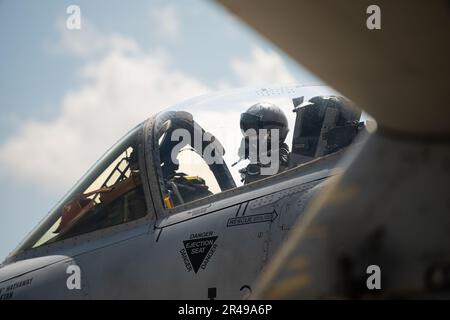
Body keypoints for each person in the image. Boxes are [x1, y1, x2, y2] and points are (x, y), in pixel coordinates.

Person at [237, 102, 290, 184]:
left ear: (271, 135)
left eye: (254, 133)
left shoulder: (278, 164)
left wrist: (253, 172)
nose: (249, 139)